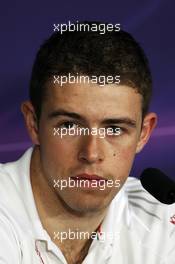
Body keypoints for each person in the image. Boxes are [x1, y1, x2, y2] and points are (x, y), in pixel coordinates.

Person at [0, 21, 174, 264]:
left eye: (114, 128)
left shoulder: (164, 219)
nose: (91, 153)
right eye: (69, 125)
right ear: (33, 123)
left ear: (143, 134)